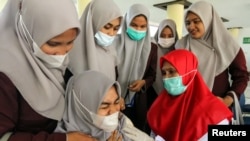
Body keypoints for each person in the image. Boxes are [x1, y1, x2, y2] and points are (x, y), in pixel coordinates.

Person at [0, 0, 96, 140]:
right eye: (53, 43)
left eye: (70, 42)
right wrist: (63, 139)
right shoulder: (5, 76)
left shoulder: (59, 64)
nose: (62, 53)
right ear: (27, 30)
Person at [147, 49, 233, 141]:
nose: (166, 78)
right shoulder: (159, 106)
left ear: (188, 73)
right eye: (164, 73)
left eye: (171, 72)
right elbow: (154, 134)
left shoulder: (213, 112)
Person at [175, 0, 249, 107]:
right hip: (188, 105)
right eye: (187, 23)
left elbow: (241, 77)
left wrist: (228, 100)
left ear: (208, 20)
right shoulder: (181, 45)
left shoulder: (228, 45)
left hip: (218, 107)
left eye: (196, 21)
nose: (191, 27)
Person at [55, 70, 154, 141]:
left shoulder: (122, 124)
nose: (114, 111)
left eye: (116, 102)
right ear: (81, 108)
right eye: (104, 106)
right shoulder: (66, 138)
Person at [112, 3, 157, 134]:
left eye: (143, 26)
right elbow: (108, 72)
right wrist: (115, 94)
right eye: (134, 25)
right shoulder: (114, 43)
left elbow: (152, 75)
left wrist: (143, 82)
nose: (138, 29)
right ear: (126, 22)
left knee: (135, 132)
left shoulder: (152, 48)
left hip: (137, 101)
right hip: (114, 101)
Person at [69, 0, 123, 81]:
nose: (111, 33)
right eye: (107, 27)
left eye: (116, 28)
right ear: (93, 22)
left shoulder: (110, 51)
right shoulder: (72, 52)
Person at [152, 19, 178, 95]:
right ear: (158, 34)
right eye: (163, 35)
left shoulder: (178, 50)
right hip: (152, 91)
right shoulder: (151, 50)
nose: (166, 39)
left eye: (170, 36)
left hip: (174, 91)